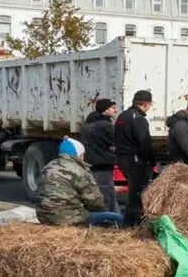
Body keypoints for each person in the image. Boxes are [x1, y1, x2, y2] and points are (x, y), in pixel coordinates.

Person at [35, 138, 123, 227]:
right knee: (117, 218)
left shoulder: (48, 166)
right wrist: (102, 212)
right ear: (78, 154)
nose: (83, 157)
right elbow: (94, 202)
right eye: (82, 154)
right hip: (66, 218)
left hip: (43, 217)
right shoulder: (79, 171)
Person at [114, 90, 155, 227]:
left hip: (123, 159)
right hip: (136, 161)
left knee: (133, 193)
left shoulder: (122, 116)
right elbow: (144, 142)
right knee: (137, 195)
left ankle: (129, 223)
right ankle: (133, 225)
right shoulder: (138, 119)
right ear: (146, 104)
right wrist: (150, 160)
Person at [81, 98, 119, 213]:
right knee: (106, 193)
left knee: (100, 191)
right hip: (103, 163)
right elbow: (119, 141)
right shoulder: (106, 126)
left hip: (91, 163)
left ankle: (113, 217)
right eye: (113, 108)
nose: (115, 110)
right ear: (105, 110)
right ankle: (107, 219)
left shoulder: (88, 124)